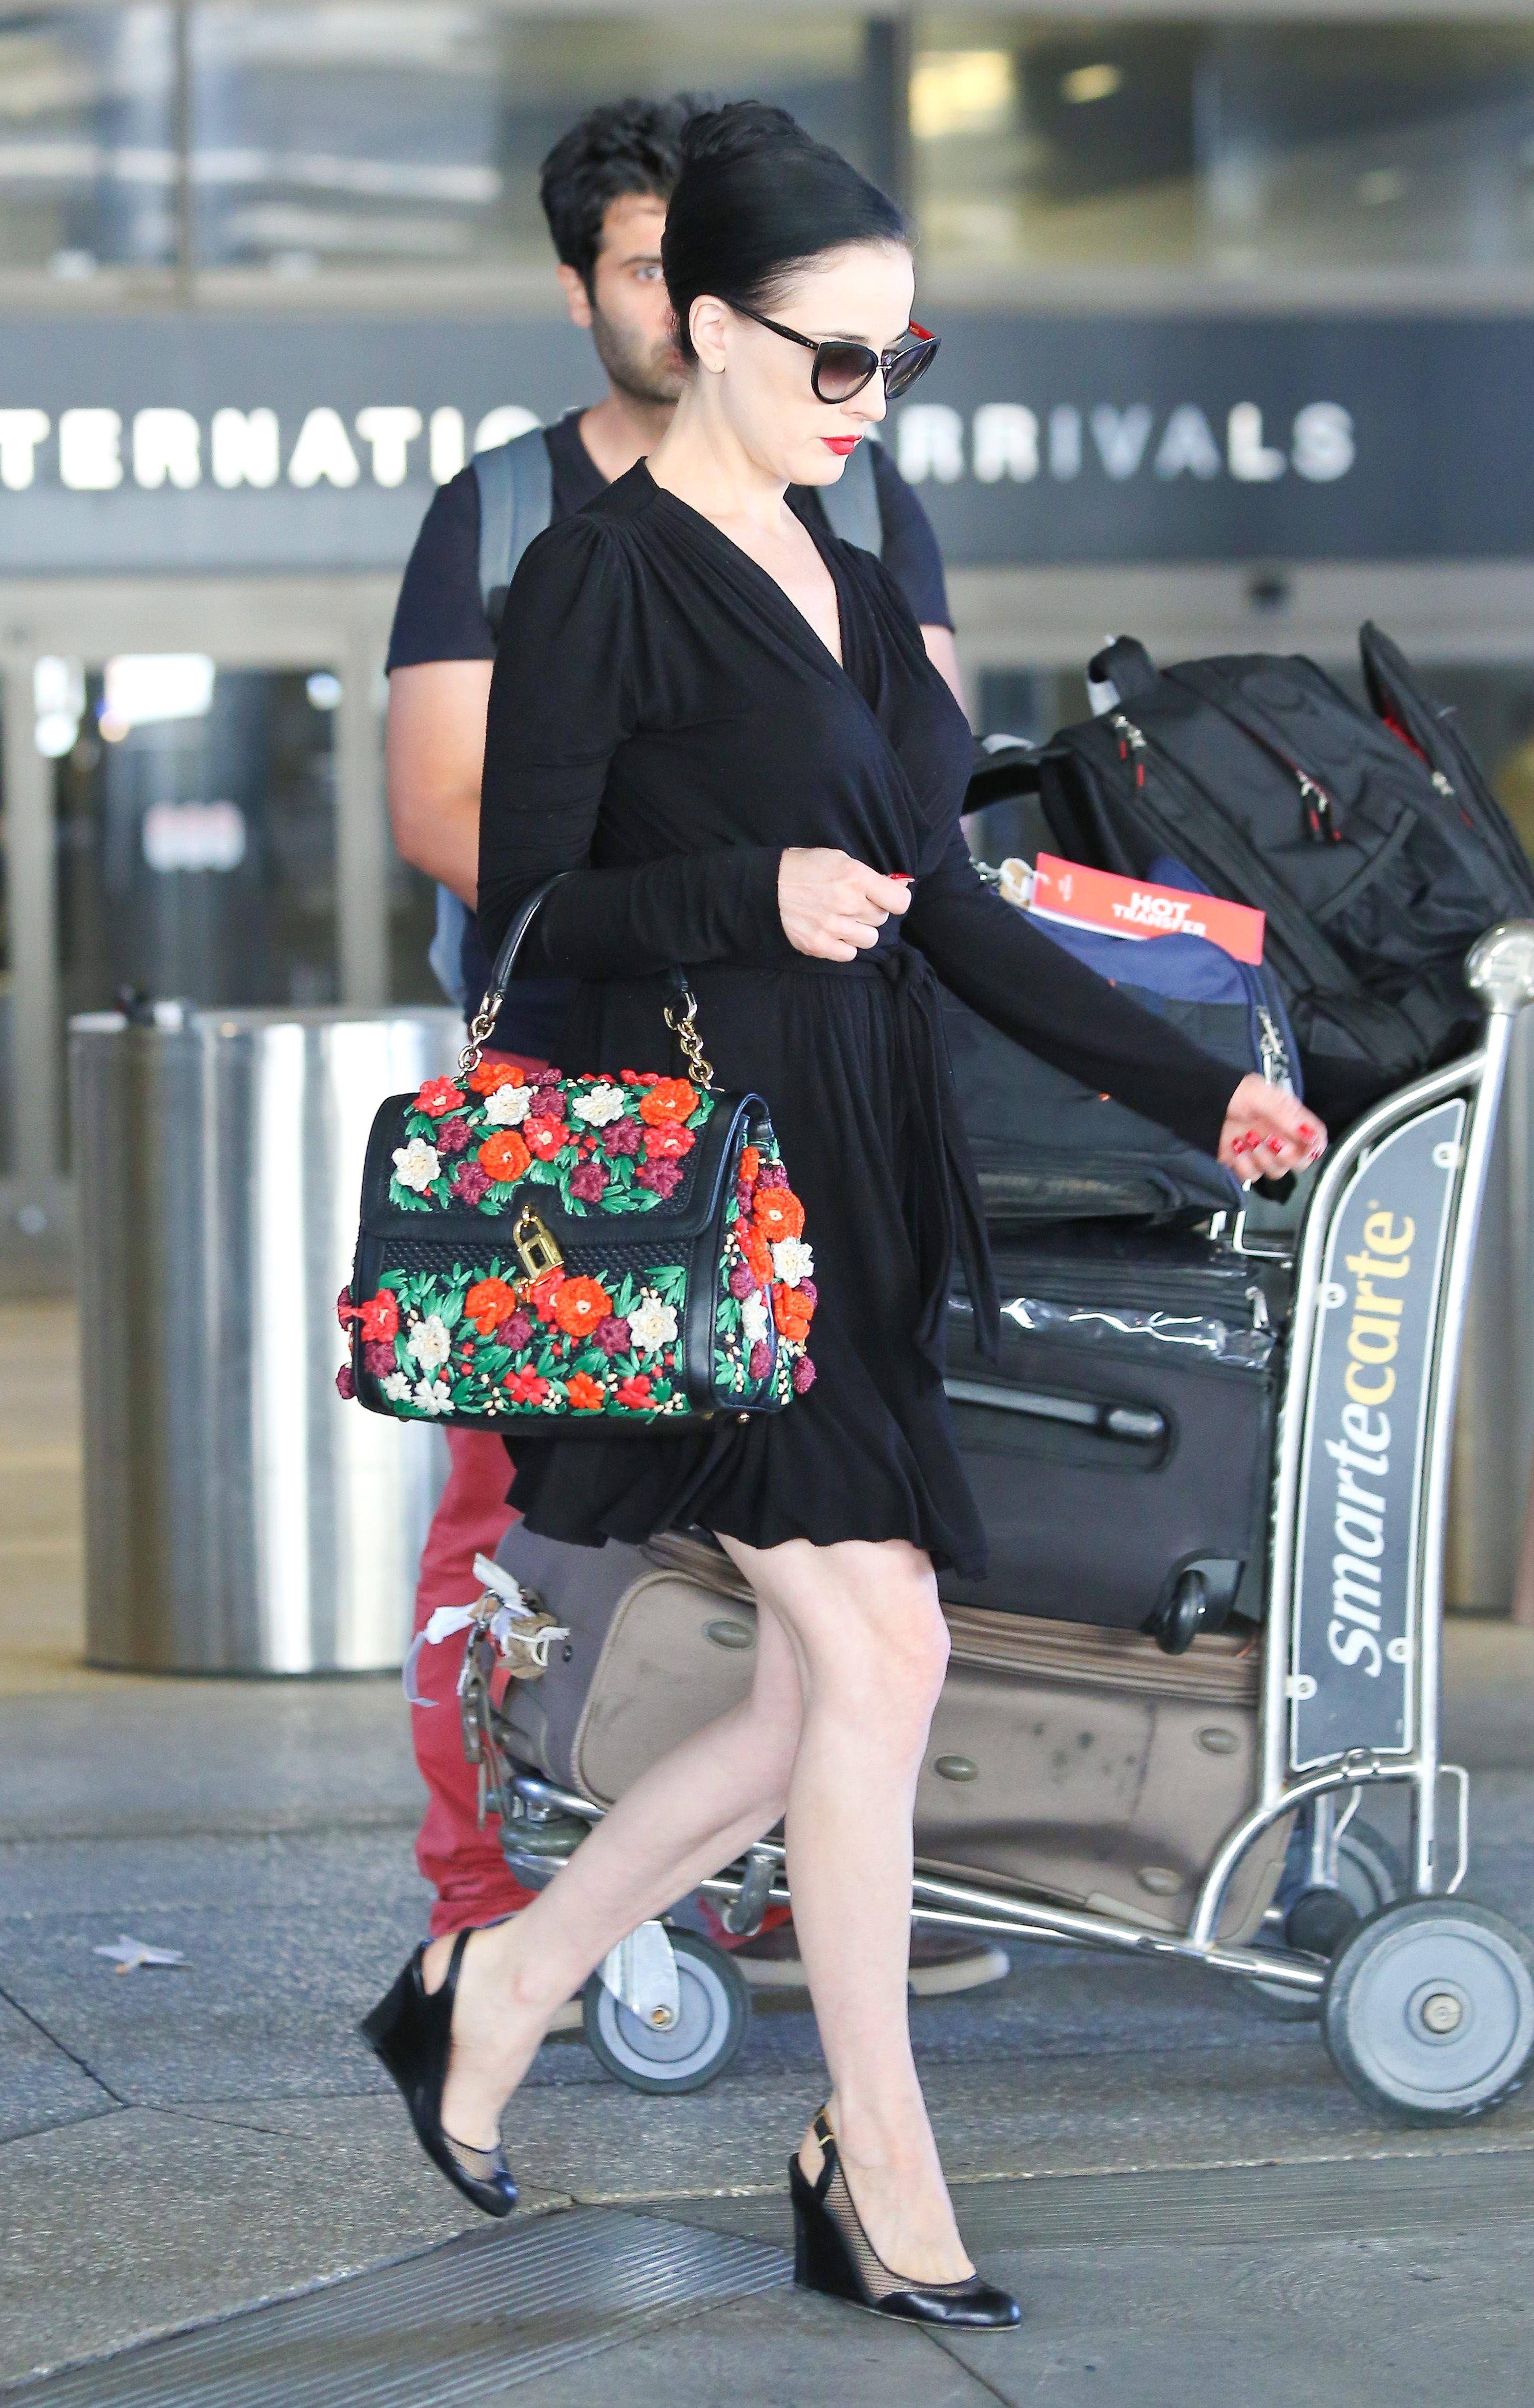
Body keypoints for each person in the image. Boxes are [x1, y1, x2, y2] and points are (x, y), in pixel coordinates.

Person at [363, 101, 1326, 2325]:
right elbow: (528, 915)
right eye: (831, 357)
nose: (866, 400)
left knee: (830, 1693)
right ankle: (874, 2153)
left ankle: (496, 1983)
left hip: (861, 1193)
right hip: (708, 1196)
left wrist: (1209, 1085)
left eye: (903, 360)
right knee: (877, 1651)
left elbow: (956, 911)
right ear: (703, 325)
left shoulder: (869, 584)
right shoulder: (590, 570)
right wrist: (743, 894)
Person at [383, 94, 983, 1978]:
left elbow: (923, 822)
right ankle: (492, 1915)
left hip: (832, 1128)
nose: (674, 295)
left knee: (844, 1647)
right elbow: (478, 847)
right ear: (609, 296)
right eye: (645, 266)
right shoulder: (524, 522)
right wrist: (746, 878)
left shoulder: (861, 519)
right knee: (534, 1536)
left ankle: (575, 1962)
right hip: (614, 1138)